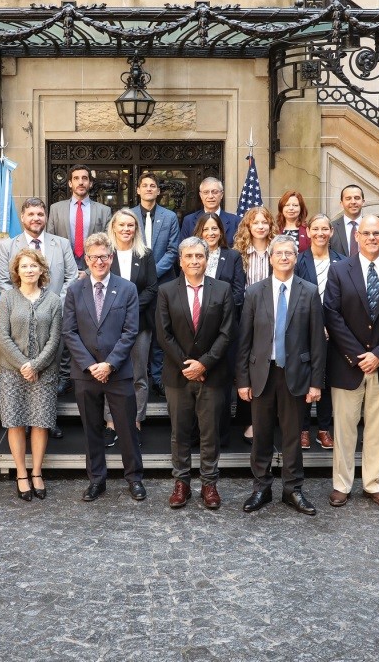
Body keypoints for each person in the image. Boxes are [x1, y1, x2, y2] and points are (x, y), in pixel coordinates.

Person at [323, 215, 379, 510]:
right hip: (347, 364)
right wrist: (358, 355)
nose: (372, 238)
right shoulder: (339, 271)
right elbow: (332, 315)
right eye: (367, 233)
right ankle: (341, 484)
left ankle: (374, 483)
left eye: (377, 233)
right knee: (345, 428)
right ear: (357, 237)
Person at [236, 234, 326, 516]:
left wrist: (316, 382)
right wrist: (243, 380)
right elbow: (244, 341)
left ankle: (292, 489)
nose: (284, 257)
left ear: (296, 258)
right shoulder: (254, 292)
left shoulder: (309, 291)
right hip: (262, 373)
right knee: (261, 434)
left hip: (296, 374)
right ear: (271, 258)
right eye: (279, 253)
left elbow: (317, 342)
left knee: (292, 436)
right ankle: (261, 487)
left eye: (289, 253)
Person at [63, 232, 145, 502]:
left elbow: (130, 332)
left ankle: (134, 479)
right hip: (86, 374)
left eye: (104, 256)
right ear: (86, 259)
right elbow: (69, 332)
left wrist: (109, 364)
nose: (99, 261)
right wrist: (90, 365)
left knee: (126, 428)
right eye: (93, 257)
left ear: (111, 258)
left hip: (118, 372)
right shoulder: (75, 290)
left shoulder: (126, 288)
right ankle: (97, 479)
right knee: (92, 428)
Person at [157, 237, 235, 510]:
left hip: (212, 374)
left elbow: (227, 333)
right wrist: (187, 365)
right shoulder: (166, 290)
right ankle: (182, 483)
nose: (194, 261)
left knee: (209, 432)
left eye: (199, 256)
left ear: (206, 259)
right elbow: (164, 335)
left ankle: (209, 484)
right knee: (179, 432)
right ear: (180, 261)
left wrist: (204, 364)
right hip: (178, 376)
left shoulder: (222, 290)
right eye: (188, 256)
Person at [0, 196, 79, 423]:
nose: (35, 218)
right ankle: (28, 424)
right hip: (19, 322)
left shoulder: (61, 244)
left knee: (53, 371)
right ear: (22, 217)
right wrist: (23, 303)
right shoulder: (8, 246)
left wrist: (54, 303)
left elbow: (72, 277)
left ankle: (48, 422)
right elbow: (2, 280)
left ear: (46, 217)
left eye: (40, 214)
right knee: (24, 374)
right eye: (30, 214)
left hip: (53, 316)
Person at [0, 248, 63, 501]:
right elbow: (2, 336)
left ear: (42, 270)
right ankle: (21, 473)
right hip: (13, 371)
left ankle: (36, 472)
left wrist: (36, 365)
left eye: (34, 266)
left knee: (40, 422)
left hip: (44, 373)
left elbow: (55, 339)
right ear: (17, 271)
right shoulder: (7, 299)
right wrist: (24, 364)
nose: (29, 270)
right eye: (24, 266)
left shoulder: (54, 300)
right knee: (15, 421)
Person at [106, 208, 158, 441]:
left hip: (139, 323)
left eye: (131, 225)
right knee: (110, 372)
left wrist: (131, 309)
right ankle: (110, 422)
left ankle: (136, 421)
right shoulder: (105, 254)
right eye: (122, 225)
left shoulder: (145, 254)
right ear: (114, 227)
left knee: (138, 374)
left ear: (136, 228)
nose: (126, 229)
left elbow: (151, 288)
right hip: (109, 323)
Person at [293, 214, 344, 449]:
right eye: (316, 229)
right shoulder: (298, 261)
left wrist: (331, 326)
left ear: (331, 232)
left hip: (335, 332)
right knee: (306, 379)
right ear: (308, 232)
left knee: (327, 379)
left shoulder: (342, 262)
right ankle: (303, 428)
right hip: (305, 330)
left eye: (325, 229)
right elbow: (297, 297)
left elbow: (345, 299)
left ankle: (323, 429)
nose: (321, 233)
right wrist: (316, 326)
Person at [197, 212, 245, 448]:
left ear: (221, 232)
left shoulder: (232, 256)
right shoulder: (193, 256)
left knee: (223, 384)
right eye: (206, 229)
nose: (211, 233)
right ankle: (198, 434)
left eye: (214, 229)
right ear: (199, 232)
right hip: (196, 329)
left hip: (225, 328)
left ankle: (221, 436)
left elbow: (238, 291)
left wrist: (217, 314)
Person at [133, 172, 181, 396]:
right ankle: (139, 377)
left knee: (162, 332)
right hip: (137, 286)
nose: (149, 189)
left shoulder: (170, 217)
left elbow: (173, 251)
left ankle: (158, 377)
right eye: (145, 185)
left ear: (159, 191)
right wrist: (143, 276)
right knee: (140, 332)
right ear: (138, 190)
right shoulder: (128, 216)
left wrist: (152, 273)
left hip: (164, 284)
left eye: (153, 186)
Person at [234, 204, 276, 443]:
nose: (260, 226)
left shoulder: (277, 250)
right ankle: (249, 421)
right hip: (247, 316)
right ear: (248, 226)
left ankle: (267, 420)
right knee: (249, 368)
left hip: (274, 316)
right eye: (255, 223)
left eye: (264, 222)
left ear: (270, 225)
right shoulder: (238, 254)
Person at [47, 164, 112, 265]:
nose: (80, 182)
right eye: (76, 178)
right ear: (70, 183)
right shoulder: (55, 209)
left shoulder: (104, 211)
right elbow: (50, 242)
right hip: (63, 267)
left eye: (84, 178)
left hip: (94, 268)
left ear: (90, 183)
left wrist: (87, 272)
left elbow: (108, 244)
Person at [330, 184, 366, 257]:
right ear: (341, 203)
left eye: (357, 198)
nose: (353, 202)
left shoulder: (372, 226)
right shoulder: (331, 228)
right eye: (348, 198)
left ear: (363, 202)